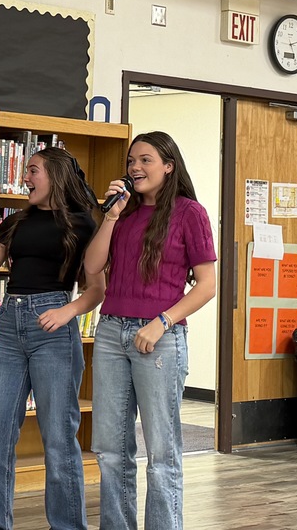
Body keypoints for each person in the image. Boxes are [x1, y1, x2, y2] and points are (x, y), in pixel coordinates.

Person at [0, 147, 103, 530]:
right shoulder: (13, 222)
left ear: (55, 175)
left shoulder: (83, 225)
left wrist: (67, 311)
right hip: (10, 326)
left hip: (54, 328)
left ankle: (67, 526)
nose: (26, 178)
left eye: (33, 171)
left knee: (59, 442)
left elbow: (96, 290)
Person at [84, 131, 217, 530]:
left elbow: (208, 285)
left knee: (162, 454)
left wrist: (161, 323)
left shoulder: (189, 212)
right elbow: (92, 267)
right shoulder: (121, 213)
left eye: (145, 160)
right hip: (110, 333)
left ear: (168, 166)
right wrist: (109, 215)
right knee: (110, 450)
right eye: (130, 162)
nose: (135, 168)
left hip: (159, 339)